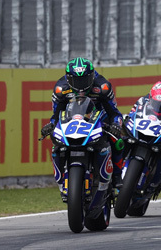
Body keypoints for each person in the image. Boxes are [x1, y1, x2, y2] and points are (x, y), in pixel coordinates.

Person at [41, 57, 125, 186]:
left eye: (84, 79)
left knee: (117, 140)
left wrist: (115, 125)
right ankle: (62, 176)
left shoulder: (103, 87)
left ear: (92, 76)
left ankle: (118, 177)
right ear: (68, 78)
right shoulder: (60, 89)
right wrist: (52, 125)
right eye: (76, 80)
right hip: (72, 121)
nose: (80, 85)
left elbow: (114, 113)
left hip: (100, 119)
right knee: (56, 141)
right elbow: (56, 115)